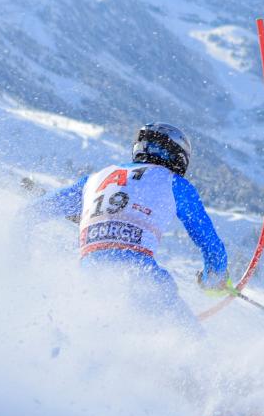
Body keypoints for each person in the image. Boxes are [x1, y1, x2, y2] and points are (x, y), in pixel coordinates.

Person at [25, 122, 229, 320]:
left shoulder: (94, 178)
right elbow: (210, 245)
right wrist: (212, 279)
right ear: (179, 158)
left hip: (87, 277)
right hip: (141, 276)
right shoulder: (176, 184)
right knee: (193, 343)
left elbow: (32, 212)